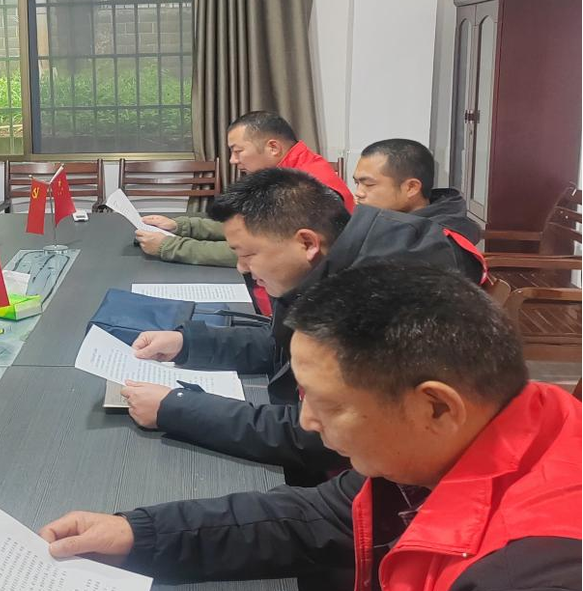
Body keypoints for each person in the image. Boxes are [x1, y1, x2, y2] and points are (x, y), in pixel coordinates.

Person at [8, 263, 582, 591]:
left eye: (327, 404)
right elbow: (318, 515)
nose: (306, 422)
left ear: (435, 406)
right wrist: (140, 533)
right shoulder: (490, 430)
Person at [122, 168, 486, 487]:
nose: (242, 268)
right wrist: (188, 343)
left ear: (307, 242)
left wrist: (178, 408)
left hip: (365, 483)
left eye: (248, 255)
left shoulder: (380, 294)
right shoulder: (331, 262)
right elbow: (283, 346)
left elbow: (316, 434)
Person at [135, 111, 355, 314]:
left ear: (273, 147)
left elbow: (256, 251)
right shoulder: (289, 173)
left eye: (238, 151)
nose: (233, 160)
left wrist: (169, 246)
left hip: (288, 308)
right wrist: (182, 226)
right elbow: (248, 229)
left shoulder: (304, 187)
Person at [353, 138, 482, 245]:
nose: (358, 193)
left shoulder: (432, 243)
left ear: (411, 187)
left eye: (369, 184)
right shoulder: (386, 222)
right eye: (357, 183)